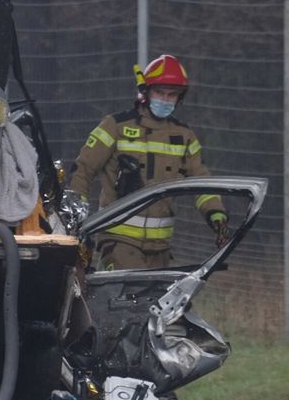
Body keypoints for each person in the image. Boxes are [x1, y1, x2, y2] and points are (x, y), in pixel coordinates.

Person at [67, 54, 226, 269]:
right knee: (127, 300)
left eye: (172, 95)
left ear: (180, 98)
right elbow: (83, 170)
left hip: (161, 248)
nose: (165, 99)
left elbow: (201, 180)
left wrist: (215, 214)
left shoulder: (184, 136)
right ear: (145, 92)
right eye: (159, 92)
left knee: (156, 302)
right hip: (119, 240)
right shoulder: (115, 126)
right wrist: (75, 219)